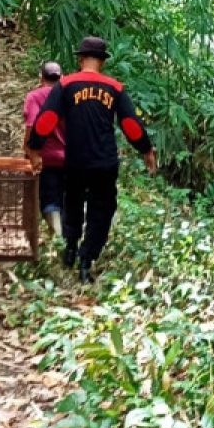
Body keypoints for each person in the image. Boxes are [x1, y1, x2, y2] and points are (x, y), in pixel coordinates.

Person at [27, 37, 157, 283]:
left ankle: (71, 246)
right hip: (104, 162)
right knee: (102, 210)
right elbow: (130, 124)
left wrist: (34, 148)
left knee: (73, 202)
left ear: (80, 59)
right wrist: (146, 150)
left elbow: (46, 119)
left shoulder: (66, 85)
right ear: (103, 62)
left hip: (75, 160)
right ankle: (86, 261)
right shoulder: (114, 88)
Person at [23, 61, 66, 240]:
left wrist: (28, 150)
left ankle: (57, 237)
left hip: (46, 158)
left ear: (41, 78)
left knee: (50, 201)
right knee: (67, 200)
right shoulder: (70, 95)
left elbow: (32, 125)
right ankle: (65, 240)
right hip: (71, 158)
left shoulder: (34, 96)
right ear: (62, 78)